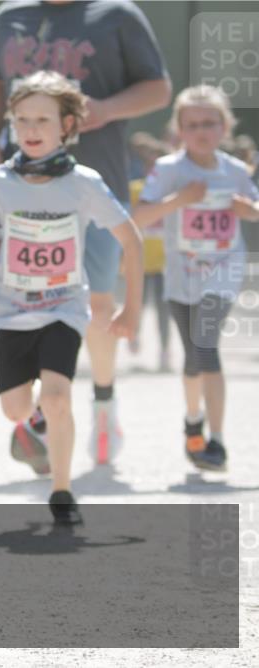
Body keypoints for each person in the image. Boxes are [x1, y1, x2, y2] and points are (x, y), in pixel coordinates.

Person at [0, 0, 170, 466]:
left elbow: (159, 89)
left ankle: (103, 400)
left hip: (92, 178)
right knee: (26, 293)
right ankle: (45, 413)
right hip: (23, 181)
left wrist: (104, 108)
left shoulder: (116, 14)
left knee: (97, 303)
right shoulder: (10, 16)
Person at [0, 71, 143, 525]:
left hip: (62, 305)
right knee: (15, 408)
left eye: (43, 119)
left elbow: (131, 240)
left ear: (67, 126)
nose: (32, 130)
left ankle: (62, 490)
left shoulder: (84, 183)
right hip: (8, 307)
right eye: (22, 120)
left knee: (58, 396)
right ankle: (32, 422)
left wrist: (131, 308)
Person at [131, 85, 259, 472]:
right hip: (180, 275)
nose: (202, 131)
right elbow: (139, 218)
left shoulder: (235, 171)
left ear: (225, 126)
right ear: (179, 130)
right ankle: (192, 420)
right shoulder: (169, 170)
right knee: (193, 358)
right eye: (193, 124)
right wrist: (180, 201)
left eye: (210, 123)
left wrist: (248, 210)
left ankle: (217, 440)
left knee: (206, 347)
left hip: (222, 269)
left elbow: (255, 206)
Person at [127, 131, 172, 371]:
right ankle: (133, 336)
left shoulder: (175, 193)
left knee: (165, 311)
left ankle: (165, 351)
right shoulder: (135, 189)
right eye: (150, 164)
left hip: (165, 263)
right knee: (138, 304)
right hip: (141, 261)